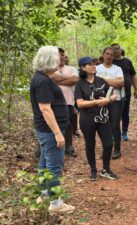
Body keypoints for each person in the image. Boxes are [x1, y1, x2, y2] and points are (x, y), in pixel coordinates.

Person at [30, 46, 75, 213]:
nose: (60, 60)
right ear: (49, 59)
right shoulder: (42, 81)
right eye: (57, 57)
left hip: (47, 130)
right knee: (54, 165)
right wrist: (58, 134)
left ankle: (44, 193)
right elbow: (45, 109)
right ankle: (55, 203)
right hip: (50, 131)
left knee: (44, 161)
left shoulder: (44, 78)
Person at [74, 56, 118, 180]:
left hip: (103, 117)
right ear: (83, 68)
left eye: (94, 63)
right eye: (89, 64)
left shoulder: (101, 81)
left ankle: (106, 169)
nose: (93, 66)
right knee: (90, 144)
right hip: (87, 119)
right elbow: (80, 103)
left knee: (108, 144)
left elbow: (114, 95)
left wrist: (108, 100)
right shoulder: (79, 84)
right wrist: (97, 103)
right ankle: (93, 170)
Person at [96, 47, 124, 159]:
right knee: (103, 125)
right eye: (107, 54)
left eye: (111, 55)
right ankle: (106, 149)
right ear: (103, 54)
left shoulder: (117, 69)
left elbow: (120, 83)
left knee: (114, 125)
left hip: (115, 100)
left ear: (114, 56)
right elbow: (93, 82)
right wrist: (112, 81)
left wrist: (103, 79)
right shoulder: (97, 68)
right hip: (100, 100)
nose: (109, 56)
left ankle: (117, 149)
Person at [50, 48, 79, 157]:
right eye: (59, 55)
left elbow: (75, 80)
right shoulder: (50, 69)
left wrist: (58, 79)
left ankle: (69, 146)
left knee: (68, 124)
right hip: (52, 102)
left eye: (63, 55)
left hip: (69, 101)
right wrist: (67, 80)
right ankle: (51, 147)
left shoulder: (71, 68)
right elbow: (51, 78)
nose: (61, 57)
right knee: (52, 123)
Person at [111, 43, 137, 141]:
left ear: (120, 49)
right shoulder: (111, 62)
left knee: (125, 112)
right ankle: (114, 133)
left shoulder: (127, 61)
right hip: (113, 92)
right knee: (114, 112)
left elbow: (133, 76)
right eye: (113, 49)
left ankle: (124, 132)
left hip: (126, 92)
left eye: (117, 48)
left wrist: (136, 89)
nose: (116, 51)